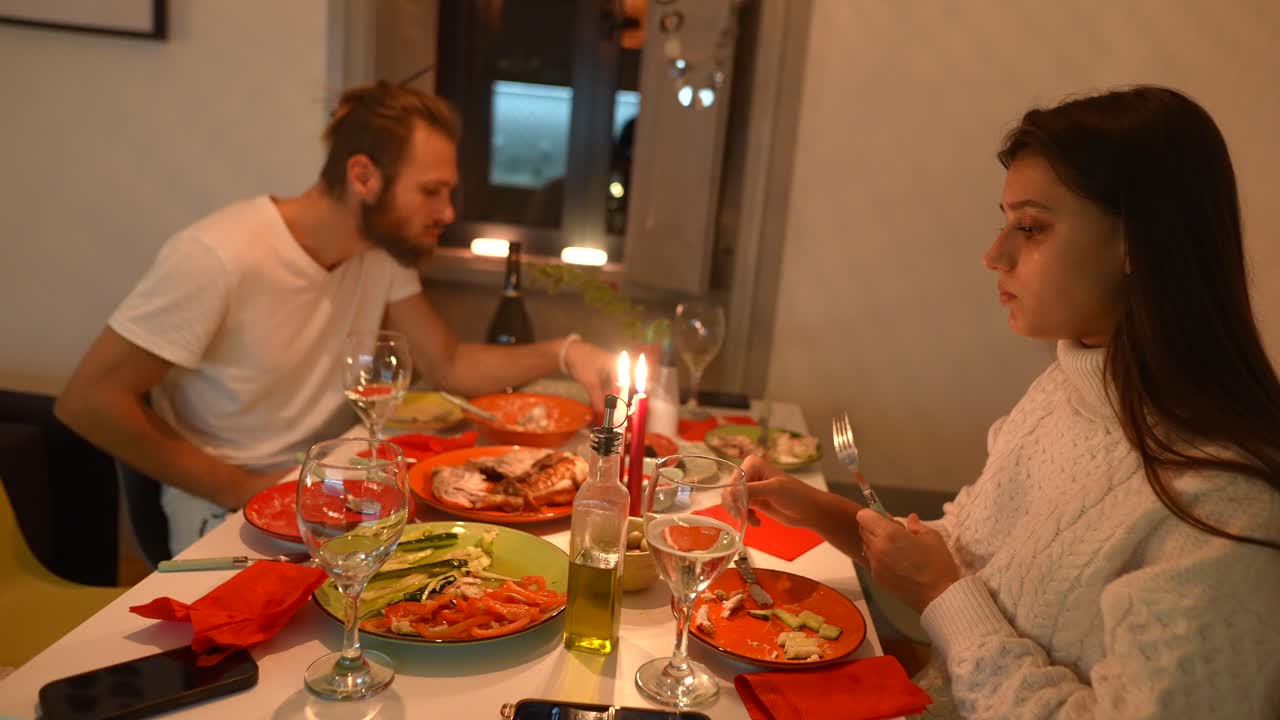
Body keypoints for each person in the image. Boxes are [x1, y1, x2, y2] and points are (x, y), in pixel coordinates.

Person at [744, 86, 1280, 719]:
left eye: (1030, 227)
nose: (994, 255)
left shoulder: (1227, 506)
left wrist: (942, 590)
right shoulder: (1065, 391)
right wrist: (817, 510)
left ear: (1137, 240)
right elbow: (960, 556)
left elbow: (950, 587)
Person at [54, 82, 616, 554]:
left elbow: (450, 363)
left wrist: (566, 352)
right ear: (363, 176)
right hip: (228, 518)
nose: (447, 212)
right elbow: (88, 402)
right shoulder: (217, 256)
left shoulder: (376, 251)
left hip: (333, 494)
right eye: (431, 191)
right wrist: (250, 489)